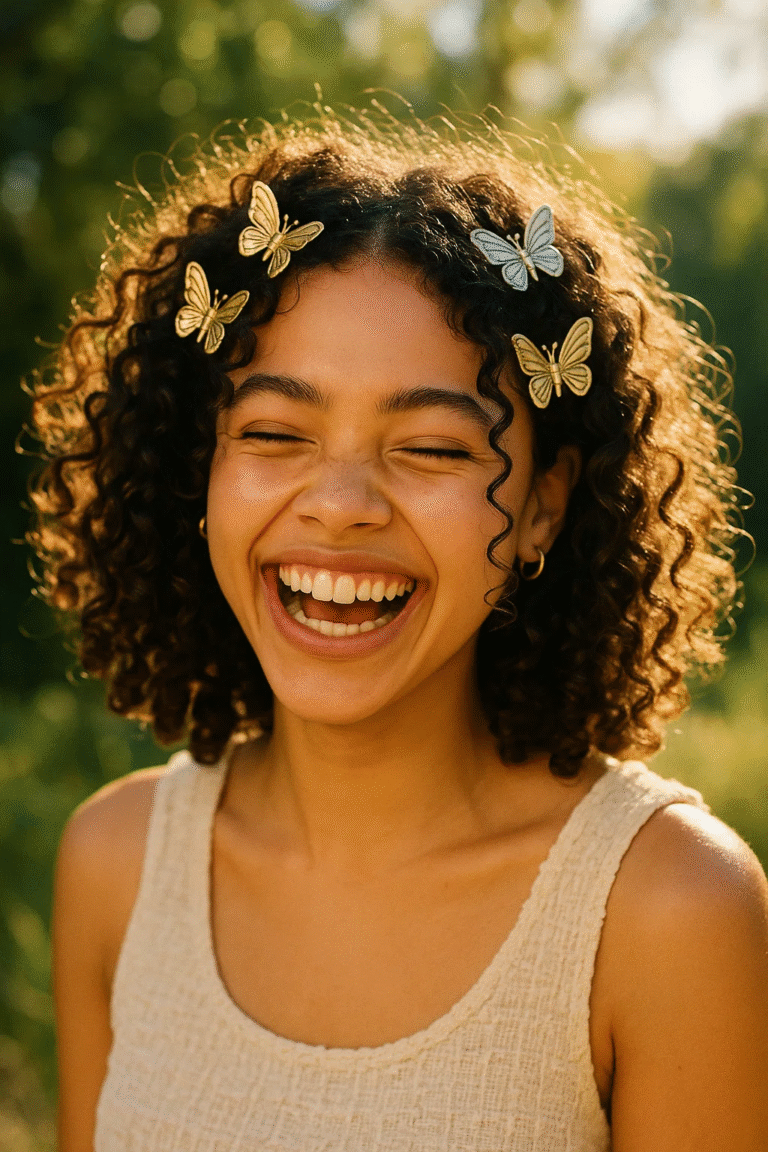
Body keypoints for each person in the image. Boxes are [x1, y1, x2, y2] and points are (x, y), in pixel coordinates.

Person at [37, 106, 768, 1152]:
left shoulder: (666, 911)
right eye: (274, 432)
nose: (341, 506)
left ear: (545, 506)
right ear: (199, 467)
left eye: (431, 448)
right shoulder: (115, 866)